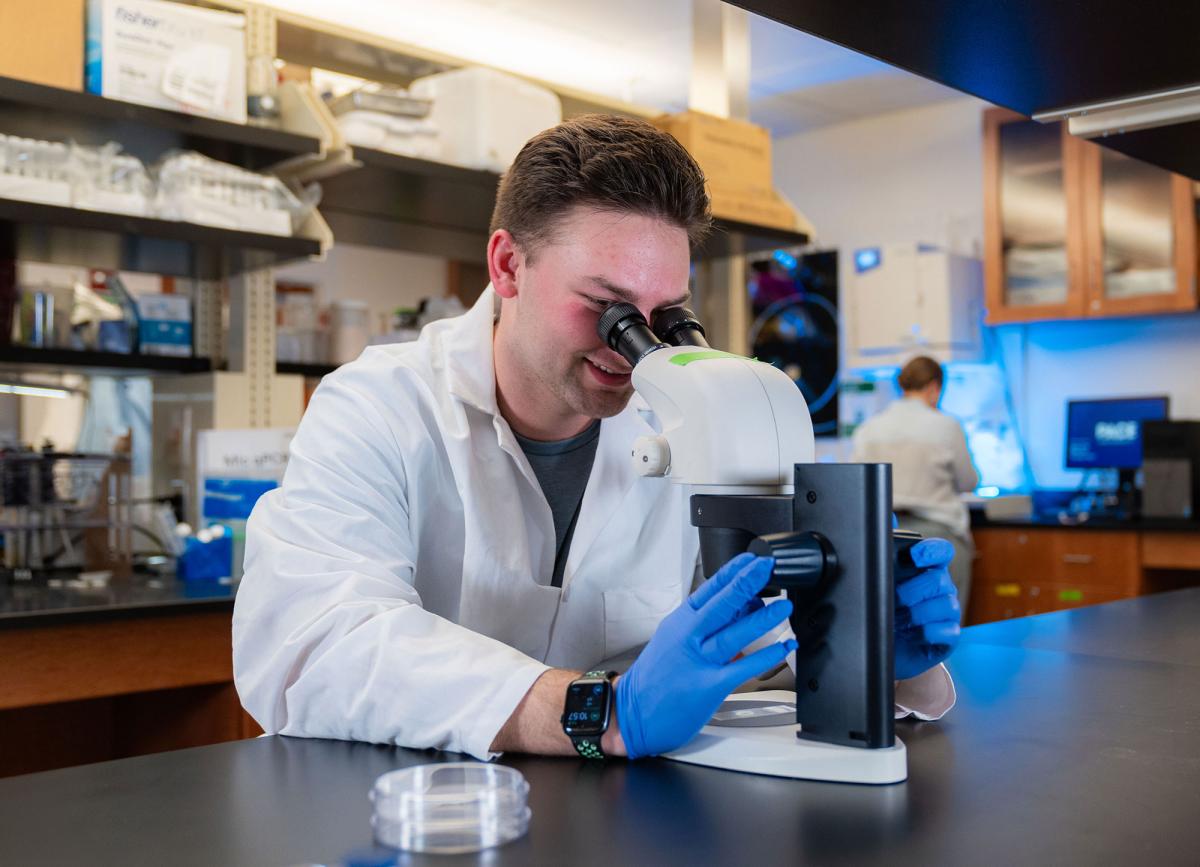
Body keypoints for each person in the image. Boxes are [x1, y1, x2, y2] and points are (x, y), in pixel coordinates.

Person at [233, 116, 960, 763]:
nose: (633, 347)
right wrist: (600, 712)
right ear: (508, 265)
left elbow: (745, 654)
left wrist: (869, 646)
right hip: (408, 820)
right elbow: (314, 643)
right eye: (607, 307)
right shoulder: (379, 406)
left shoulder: (679, 423)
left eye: (664, 313)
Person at [852, 355, 980, 607]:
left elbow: (855, 483)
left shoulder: (869, 428)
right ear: (934, 388)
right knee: (944, 623)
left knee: (892, 622)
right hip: (938, 535)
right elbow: (968, 481)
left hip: (885, 536)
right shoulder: (946, 425)